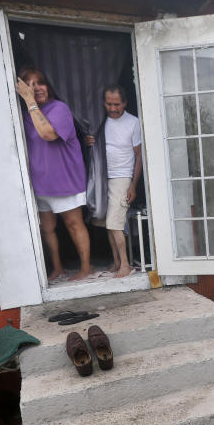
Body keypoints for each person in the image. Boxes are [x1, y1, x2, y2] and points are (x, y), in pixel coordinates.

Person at [15, 67, 92, 282]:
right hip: (40, 182)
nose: (36, 88)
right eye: (29, 85)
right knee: (47, 228)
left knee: (73, 224)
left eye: (40, 82)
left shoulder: (59, 108)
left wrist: (30, 102)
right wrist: (30, 105)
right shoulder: (26, 114)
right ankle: (57, 268)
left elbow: (48, 134)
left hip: (64, 180)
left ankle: (86, 267)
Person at [97, 84, 142, 279]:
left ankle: (126, 265)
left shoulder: (133, 122)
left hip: (122, 177)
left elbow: (139, 156)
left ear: (124, 102)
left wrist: (133, 184)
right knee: (109, 223)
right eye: (109, 104)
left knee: (115, 223)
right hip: (102, 176)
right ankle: (116, 262)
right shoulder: (99, 121)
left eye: (117, 104)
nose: (113, 108)